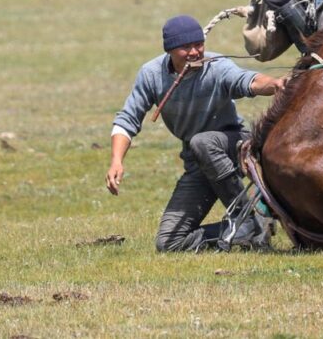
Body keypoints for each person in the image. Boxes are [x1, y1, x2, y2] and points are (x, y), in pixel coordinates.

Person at [105, 15, 285, 252]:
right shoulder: (151, 74)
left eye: (198, 44)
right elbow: (127, 119)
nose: (194, 52)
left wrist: (275, 84)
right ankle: (246, 229)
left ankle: (245, 220)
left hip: (233, 146)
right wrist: (116, 160)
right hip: (197, 160)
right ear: (170, 50)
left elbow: (247, 81)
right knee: (169, 243)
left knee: (202, 142)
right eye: (185, 47)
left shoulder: (216, 66)